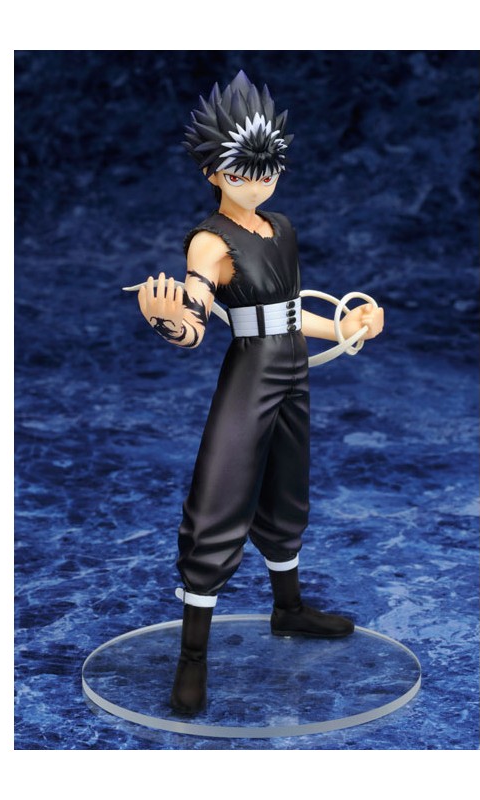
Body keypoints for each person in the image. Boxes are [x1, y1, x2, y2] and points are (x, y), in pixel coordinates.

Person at [136, 71, 384, 714]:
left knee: (287, 489)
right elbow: (196, 314)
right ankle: (193, 657)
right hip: (250, 376)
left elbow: (293, 313)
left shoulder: (282, 228)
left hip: (293, 372)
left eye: (269, 168)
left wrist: (350, 325)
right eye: (243, 171)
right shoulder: (210, 241)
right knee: (220, 497)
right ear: (214, 172)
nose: (259, 181)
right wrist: (171, 322)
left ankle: (289, 608)